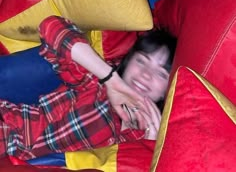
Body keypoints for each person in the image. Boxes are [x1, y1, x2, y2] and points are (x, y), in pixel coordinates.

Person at [0, 16, 176, 160]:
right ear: (128, 61)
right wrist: (110, 79)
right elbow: (52, 27)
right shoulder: (97, 84)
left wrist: (149, 146)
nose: (146, 74)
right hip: (11, 134)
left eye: (161, 73)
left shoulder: (152, 141)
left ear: (167, 91)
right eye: (141, 61)